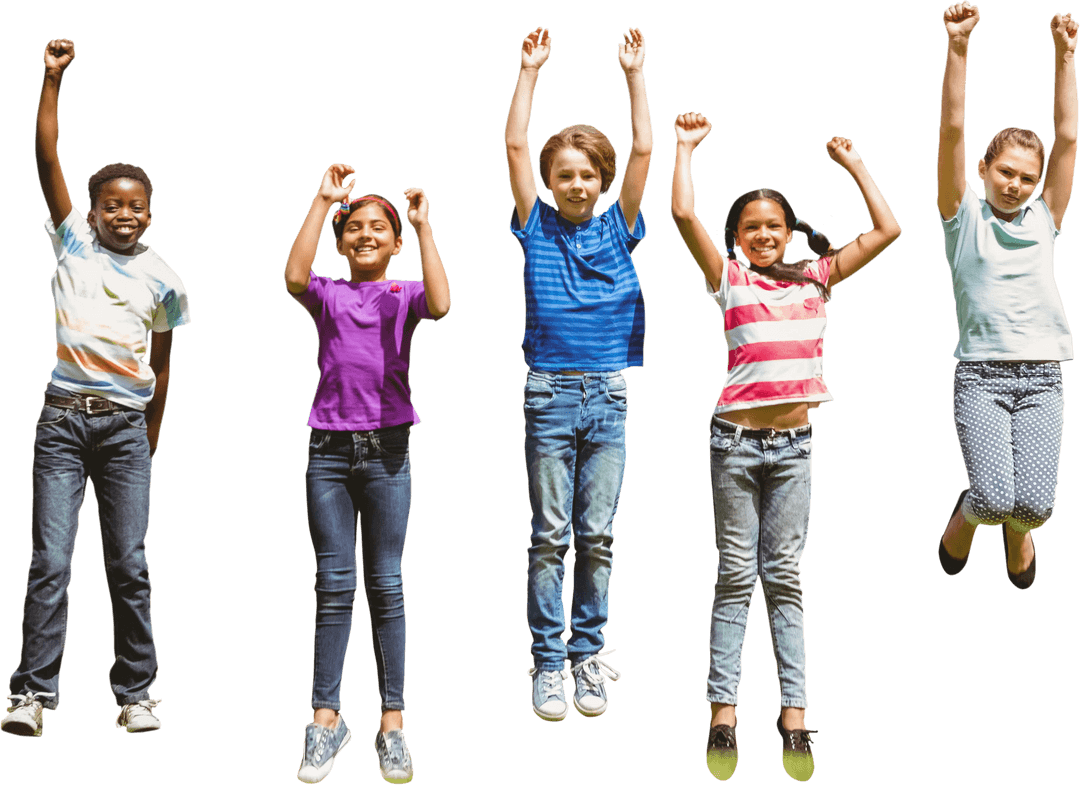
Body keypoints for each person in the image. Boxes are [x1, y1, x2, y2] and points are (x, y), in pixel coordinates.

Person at [671, 113, 901, 781]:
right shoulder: (729, 281)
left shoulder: (816, 279)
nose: (765, 234)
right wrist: (686, 148)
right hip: (736, 445)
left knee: (785, 577)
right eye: (753, 227)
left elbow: (887, 230)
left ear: (790, 231)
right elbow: (683, 212)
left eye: (776, 224)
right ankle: (723, 711)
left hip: (795, 445)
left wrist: (856, 166)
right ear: (735, 240)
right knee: (736, 576)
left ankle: (794, 715)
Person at [2, 39, 190, 739]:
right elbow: (46, 156)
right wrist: (51, 80)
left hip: (125, 431)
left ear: (149, 213)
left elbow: (162, 366)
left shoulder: (166, 280)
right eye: (110, 203)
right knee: (50, 558)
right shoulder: (73, 242)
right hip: (60, 422)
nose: (122, 213)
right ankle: (31, 692)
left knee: (130, 562)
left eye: (134, 205)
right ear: (88, 211)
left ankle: (135, 693)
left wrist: (150, 438)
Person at [504, 25, 652, 722]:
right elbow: (511, 145)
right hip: (549, 393)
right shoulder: (536, 223)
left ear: (603, 179)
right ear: (549, 181)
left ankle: (589, 656)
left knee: (597, 533)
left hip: (610, 394)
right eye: (563, 174)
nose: (575, 184)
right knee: (550, 533)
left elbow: (646, 147)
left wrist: (635, 74)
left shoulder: (620, 223)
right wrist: (529, 70)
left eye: (587, 173)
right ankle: (549, 662)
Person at [285, 163, 450, 784]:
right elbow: (293, 275)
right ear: (341, 240)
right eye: (354, 228)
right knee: (334, 584)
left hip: (387, 451)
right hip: (327, 451)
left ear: (395, 241)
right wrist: (323, 196)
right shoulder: (326, 292)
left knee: (387, 584)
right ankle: (325, 722)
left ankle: (392, 727)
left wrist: (424, 226)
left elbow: (442, 302)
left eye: (378, 228)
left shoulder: (404, 293)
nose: (366, 235)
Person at [936, 3, 1078, 590]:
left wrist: (1066, 54)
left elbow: (1068, 134)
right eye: (1005, 172)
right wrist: (959, 47)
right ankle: (969, 519)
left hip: (1043, 375)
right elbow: (952, 126)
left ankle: (1015, 525)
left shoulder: (1045, 217)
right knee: (993, 499)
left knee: (1036, 509)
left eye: (1026, 176)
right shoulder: (961, 215)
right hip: (982, 377)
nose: (1015, 184)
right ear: (983, 168)